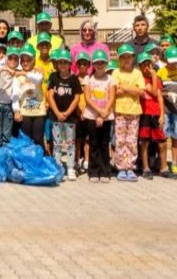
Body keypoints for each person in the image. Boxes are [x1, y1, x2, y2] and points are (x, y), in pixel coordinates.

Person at [45, 48, 82, 180]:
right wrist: (57, 113)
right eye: (60, 62)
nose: (62, 65)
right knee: (58, 143)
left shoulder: (74, 79)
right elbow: (50, 96)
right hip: (56, 117)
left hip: (70, 118)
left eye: (65, 62)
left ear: (70, 63)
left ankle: (71, 167)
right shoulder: (53, 77)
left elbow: (77, 98)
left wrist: (66, 113)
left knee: (70, 143)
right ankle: (58, 167)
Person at [82, 49, 116, 183]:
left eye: (102, 62)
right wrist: (98, 112)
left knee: (104, 144)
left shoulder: (111, 79)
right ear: (93, 64)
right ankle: (94, 171)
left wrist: (104, 113)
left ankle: (105, 171)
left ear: (106, 63)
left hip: (106, 116)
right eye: (97, 63)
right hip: (91, 115)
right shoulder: (88, 79)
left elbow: (112, 97)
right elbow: (87, 98)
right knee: (94, 143)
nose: (100, 65)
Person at [111, 45, 144, 182]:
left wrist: (124, 87)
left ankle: (130, 167)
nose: (126, 59)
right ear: (119, 59)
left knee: (131, 140)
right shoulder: (115, 73)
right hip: (119, 111)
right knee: (120, 141)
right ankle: (120, 167)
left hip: (134, 111)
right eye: (123, 57)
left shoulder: (137, 73)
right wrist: (132, 89)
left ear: (133, 58)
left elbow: (141, 91)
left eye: (128, 56)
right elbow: (115, 91)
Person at [158, 47, 177, 179]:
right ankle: (163, 165)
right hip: (165, 109)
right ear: (165, 61)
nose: (173, 64)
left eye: (176, 62)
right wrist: (167, 93)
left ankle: (175, 163)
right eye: (171, 62)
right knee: (163, 136)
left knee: (176, 135)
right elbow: (157, 91)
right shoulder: (161, 72)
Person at [137, 53, 166, 179]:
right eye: (143, 64)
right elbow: (152, 91)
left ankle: (163, 168)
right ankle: (146, 168)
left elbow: (158, 96)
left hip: (155, 114)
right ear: (139, 66)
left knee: (162, 142)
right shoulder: (139, 79)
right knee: (144, 142)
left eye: (148, 63)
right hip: (144, 114)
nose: (146, 67)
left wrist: (162, 115)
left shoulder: (156, 79)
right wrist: (154, 75)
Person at [14, 47, 46, 149]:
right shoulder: (17, 76)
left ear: (33, 61)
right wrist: (16, 111)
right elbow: (15, 95)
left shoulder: (38, 72)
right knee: (25, 139)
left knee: (38, 138)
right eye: (23, 61)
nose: (25, 63)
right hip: (25, 113)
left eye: (28, 60)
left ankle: (39, 161)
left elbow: (38, 80)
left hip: (39, 112)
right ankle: (26, 162)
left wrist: (23, 73)